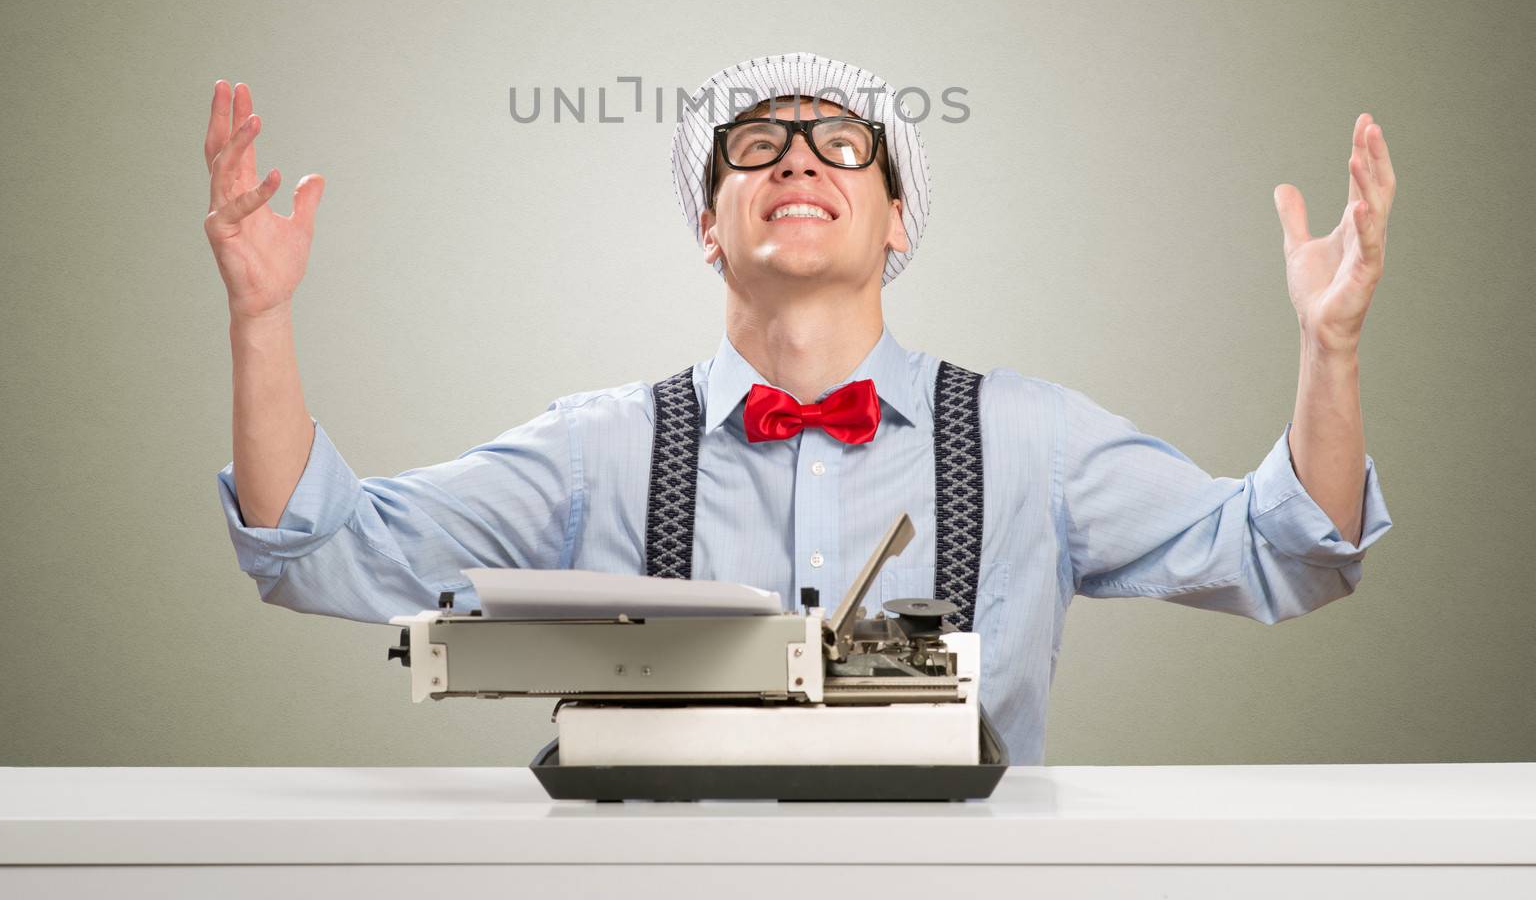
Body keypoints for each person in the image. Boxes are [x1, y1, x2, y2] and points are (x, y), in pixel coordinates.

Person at [207, 50, 1396, 766]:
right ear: (705, 224)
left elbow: (1284, 551)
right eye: (755, 144)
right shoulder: (596, 450)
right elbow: (320, 548)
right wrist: (261, 316)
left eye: (841, 142)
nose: (796, 158)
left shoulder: (1033, 439)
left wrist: (1326, 344)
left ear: (896, 220)